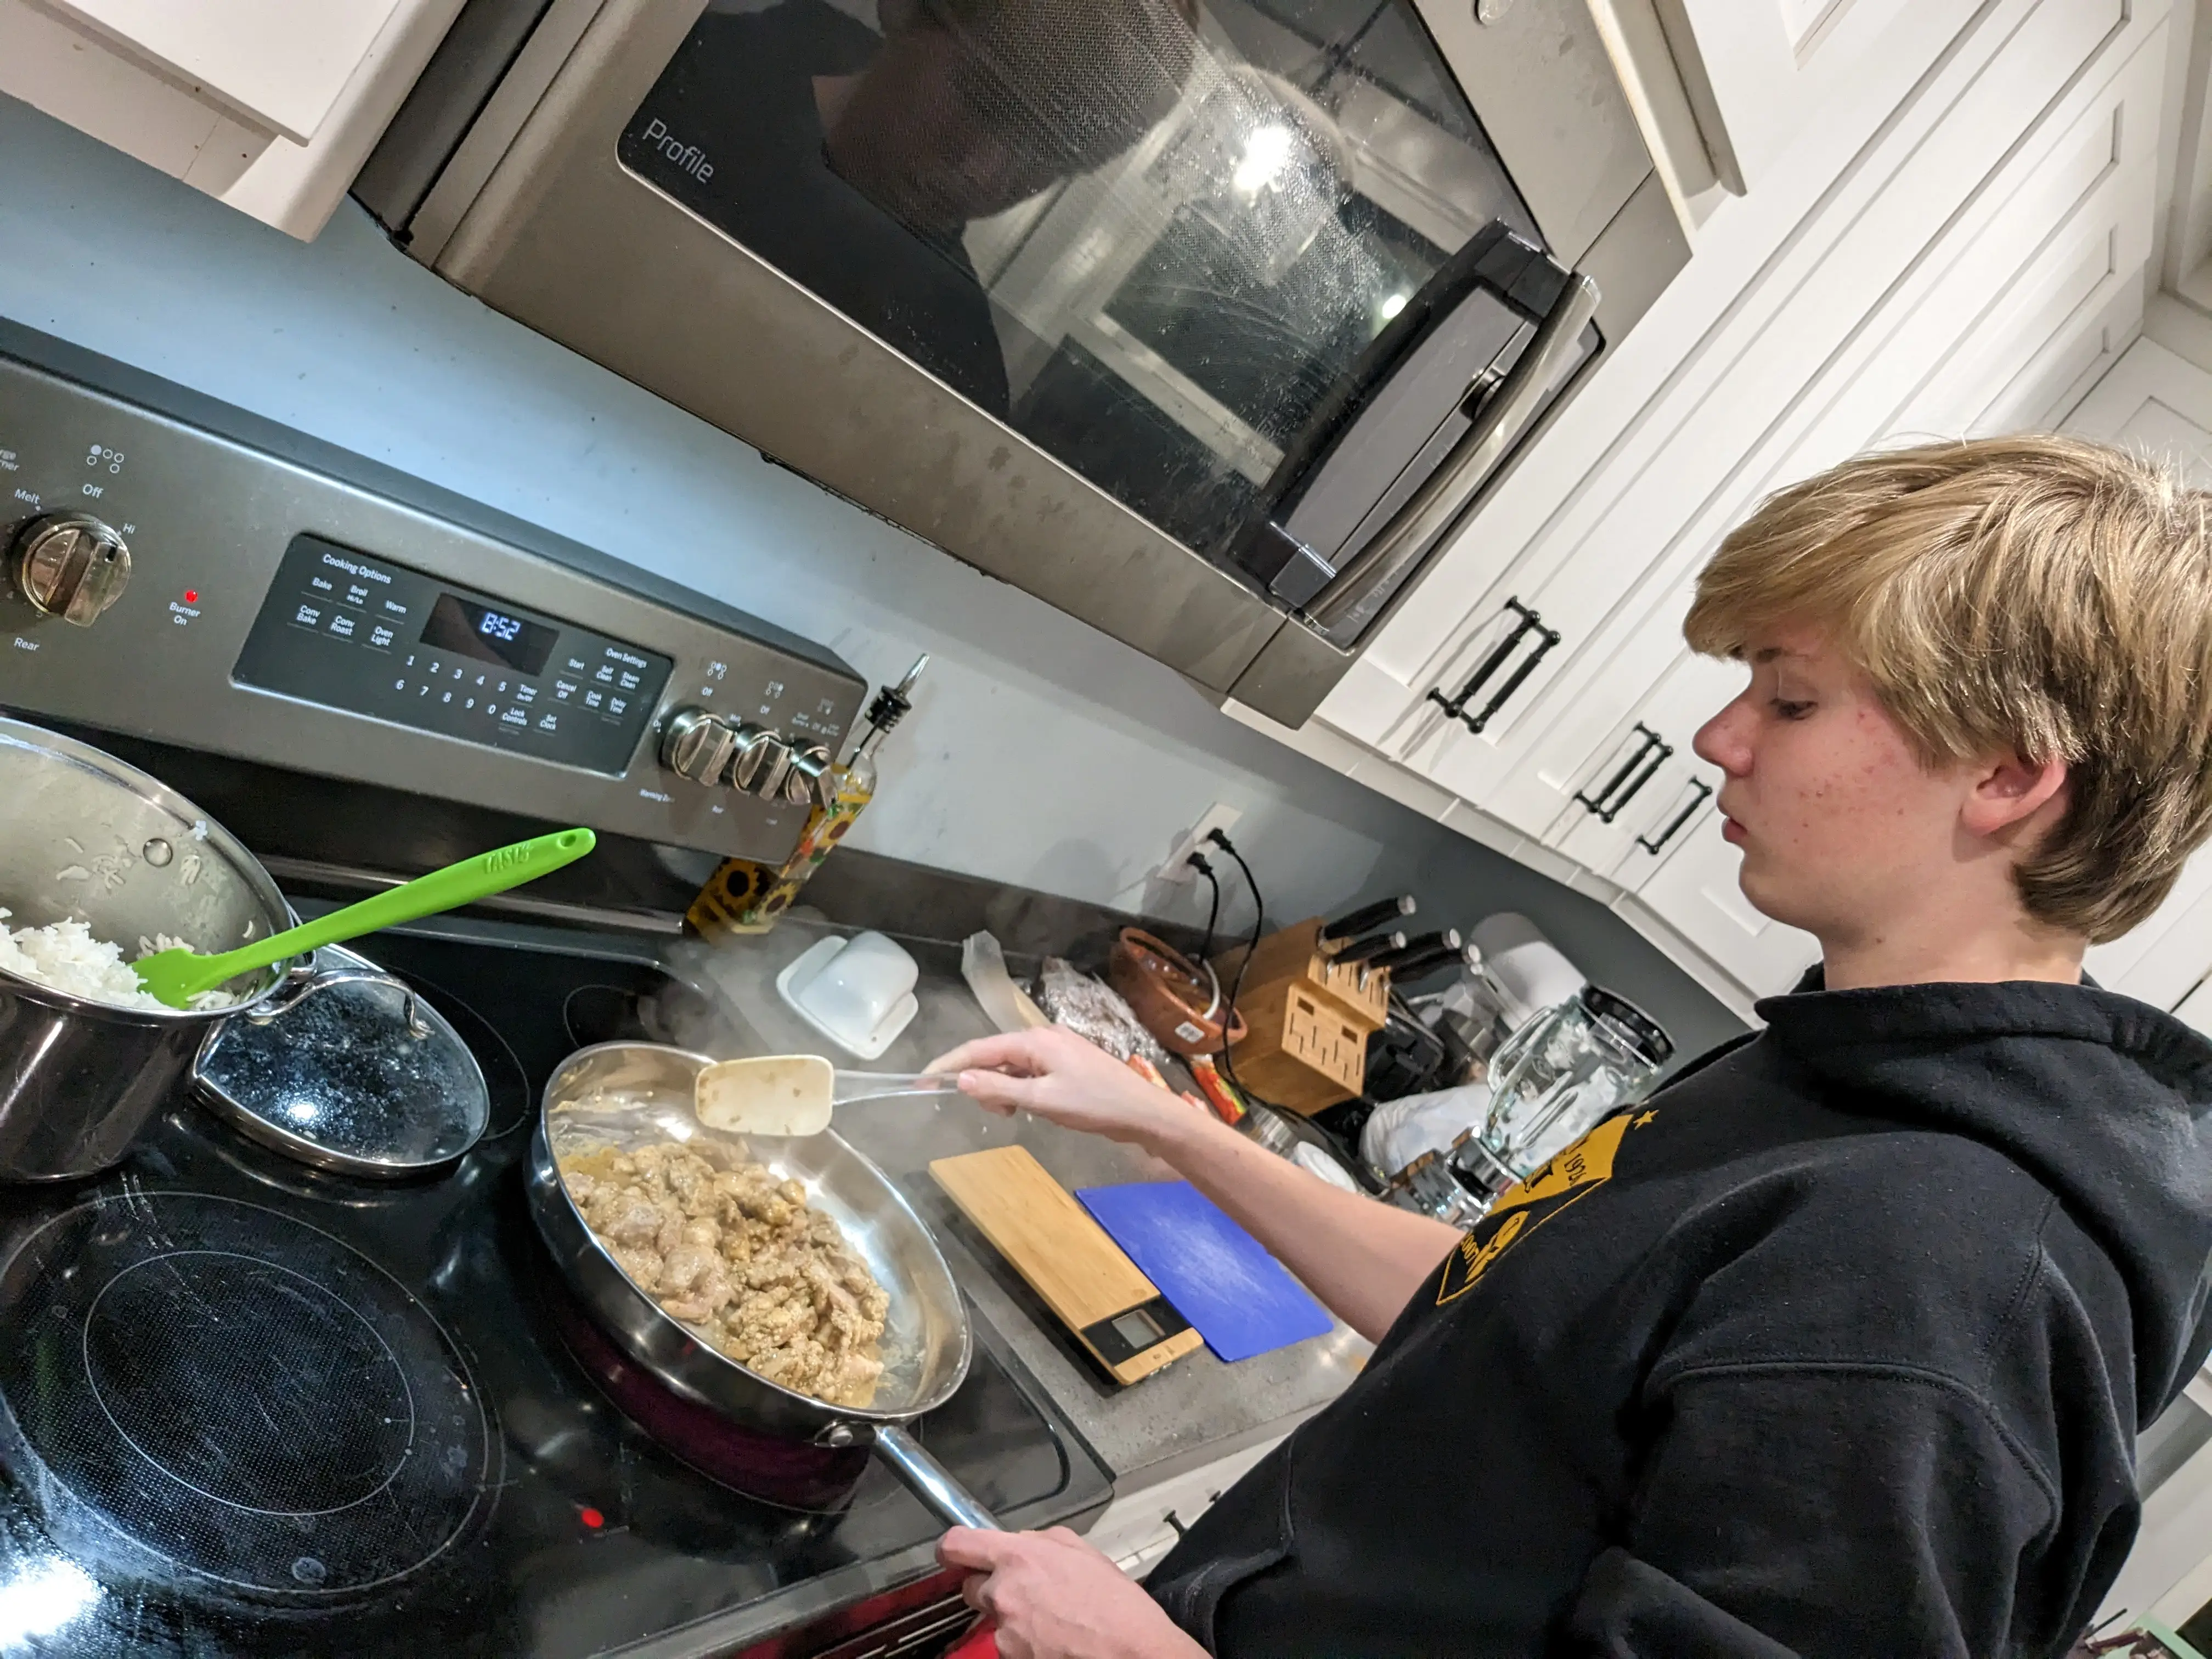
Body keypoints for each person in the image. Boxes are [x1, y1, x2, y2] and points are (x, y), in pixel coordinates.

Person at [926, 435, 2212, 1657]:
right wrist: (1162, 1120)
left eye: (1794, 697)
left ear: (2005, 775)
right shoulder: (1840, 1076)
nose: (1723, 737)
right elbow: (1506, 1308)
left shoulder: (1938, 1278)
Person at [620, 0, 1198, 416]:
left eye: (1044, 161)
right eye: (984, 101)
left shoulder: (951, 364)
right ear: (908, 13)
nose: (984, 171)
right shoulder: (656, 68)